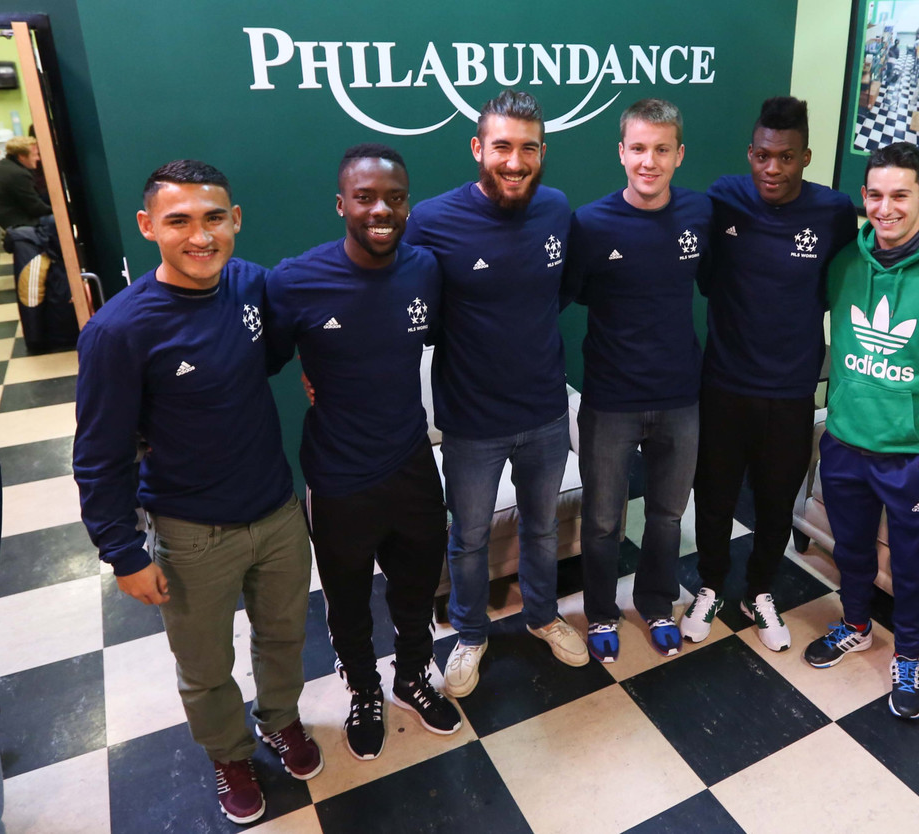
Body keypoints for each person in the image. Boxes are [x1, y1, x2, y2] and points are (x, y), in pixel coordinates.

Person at [73, 160, 321, 825]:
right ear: (148, 226)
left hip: (275, 510)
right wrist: (122, 552)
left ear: (234, 220)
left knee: (284, 637)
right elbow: (98, 457)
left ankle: (280, 720)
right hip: (190, 533)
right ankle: (228, 753)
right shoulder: (118, 331)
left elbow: (269, 356)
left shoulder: (248, 285)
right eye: (179, 221)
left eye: (214, 218)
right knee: (206, 664)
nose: (200, 236)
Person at [265, 144, 461, 762]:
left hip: (410, 462)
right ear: (342, 204)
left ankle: (410, 677)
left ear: (408, 204)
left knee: (416, 586)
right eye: (366, 197)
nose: (382, 209)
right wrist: (308, 365)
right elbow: (266, 354)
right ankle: (365, 692)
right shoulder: (296, 279)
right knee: (347, 600)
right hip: (338, 476)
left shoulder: (425, 269)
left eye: (395, 198)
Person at [404, 89, 588, 698]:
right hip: (470, 423)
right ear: (478, 148)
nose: (515, 161)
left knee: (541, 529)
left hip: (543, 411)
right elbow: (416, 313)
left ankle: (542, 616)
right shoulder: (431, 219)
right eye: (502, 146)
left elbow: (556, 294)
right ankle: (471, 634)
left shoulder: (557, 208)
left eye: (528, 147)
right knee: (469, 536)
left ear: (543, 151)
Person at [804, 142, 919, 720]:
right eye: (876, 195)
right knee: (852, 551)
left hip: (909, 459)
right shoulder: (845, 262)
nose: (886, 209)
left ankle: (909, 654)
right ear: (864, 197)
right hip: (844, 445)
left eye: (900, 196)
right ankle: (856, 625)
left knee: (913, 567)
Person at [682, 97, 858, 652]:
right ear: (749, 153)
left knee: (778, 500)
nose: (772, 169)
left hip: (790, 389)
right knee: (712, 495)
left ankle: (759, 590)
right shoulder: (723, 198)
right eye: (762, 155)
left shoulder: (833, 212)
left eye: (785, 157)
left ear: (805, 157)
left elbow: (845, 285)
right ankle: (709, 584)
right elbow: (707, 280)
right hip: (725, 382)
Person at [563, 99, 710, 662]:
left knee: (668, 516)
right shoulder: (591, 223)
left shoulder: (699, 215)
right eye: (639, 148)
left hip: (680, 398)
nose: (649, 161)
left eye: (662, 149)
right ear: (621, 152)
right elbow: (573, 293)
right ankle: (601, 613)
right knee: (602, 521)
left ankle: (655, 603)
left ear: (678, 155)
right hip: (610, 401)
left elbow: (711, 283)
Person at [0, 136, 50, 231]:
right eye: (34, 155)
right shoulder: (18, 174)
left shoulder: (4, 166)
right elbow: (35, 208)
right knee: (55, 220)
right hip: (18, 224)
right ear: (22, 156)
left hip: (6, 222)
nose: (38, 158)